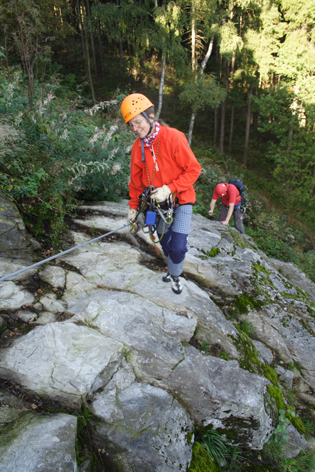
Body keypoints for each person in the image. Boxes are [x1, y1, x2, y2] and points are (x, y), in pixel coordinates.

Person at [120, 93, 201, 294]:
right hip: (156, 205)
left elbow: (193, 169)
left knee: (178, 247)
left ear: (151, 117)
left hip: (180, 199)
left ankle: (176, 274)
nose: (135, 128)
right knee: (166, 245)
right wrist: (133, 209)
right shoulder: (137, 148)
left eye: (138, 122)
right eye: (131, 125)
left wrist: (169, 189)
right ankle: (174, 273)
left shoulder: (173, 137)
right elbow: (136, 183)